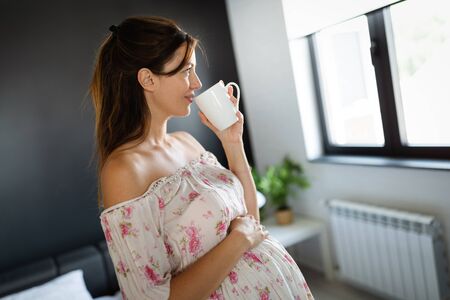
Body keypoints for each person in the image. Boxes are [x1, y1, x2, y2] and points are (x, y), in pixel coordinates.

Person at [90, 16, 314, 300]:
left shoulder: (187, 143)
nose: (196, 83)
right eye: (186, 71)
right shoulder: (124, 170)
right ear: (148, 79)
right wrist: (238, 240)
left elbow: (251, 221)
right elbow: (150, 297)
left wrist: (232, 143)